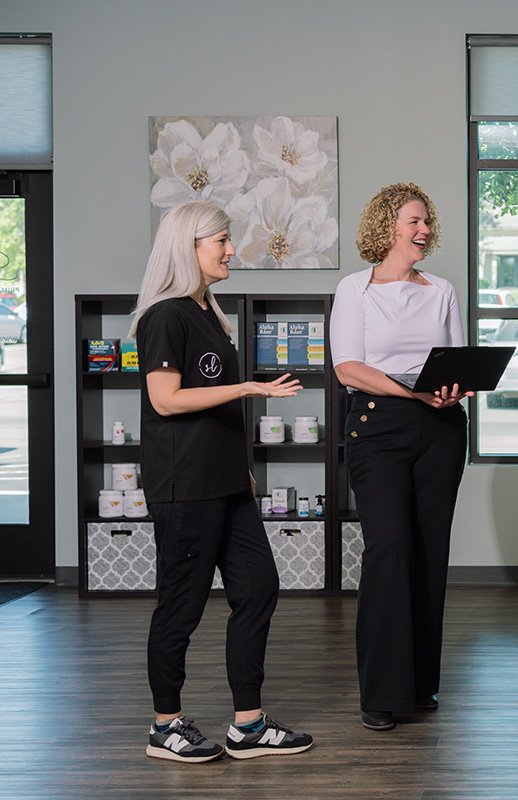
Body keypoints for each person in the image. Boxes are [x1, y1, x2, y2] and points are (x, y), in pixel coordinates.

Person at [130, 200, 313, 763]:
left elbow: (213, 414)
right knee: (181, 606)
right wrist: (248, 388)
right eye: (222, 241)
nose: (232, 250)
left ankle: (248, 725)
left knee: (258, 589)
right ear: (189, 247)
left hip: (227, 484)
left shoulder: (208, 312)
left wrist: (243, 469)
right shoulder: (165, 316)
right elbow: (166, 400)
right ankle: (165, 726)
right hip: (185, 486)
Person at [329, 182, 471, 732]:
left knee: (429, 552)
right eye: (414, 221)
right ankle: (380, 693)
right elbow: (348, 367)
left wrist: (454, 390)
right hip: (378, 427)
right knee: (388, 550)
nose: (424, 230)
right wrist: (412, 393)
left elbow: (455, 360)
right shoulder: (355, 289)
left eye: (426, 221)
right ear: (388, 227)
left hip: (440, 429)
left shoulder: (442, 290)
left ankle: (417, 685)